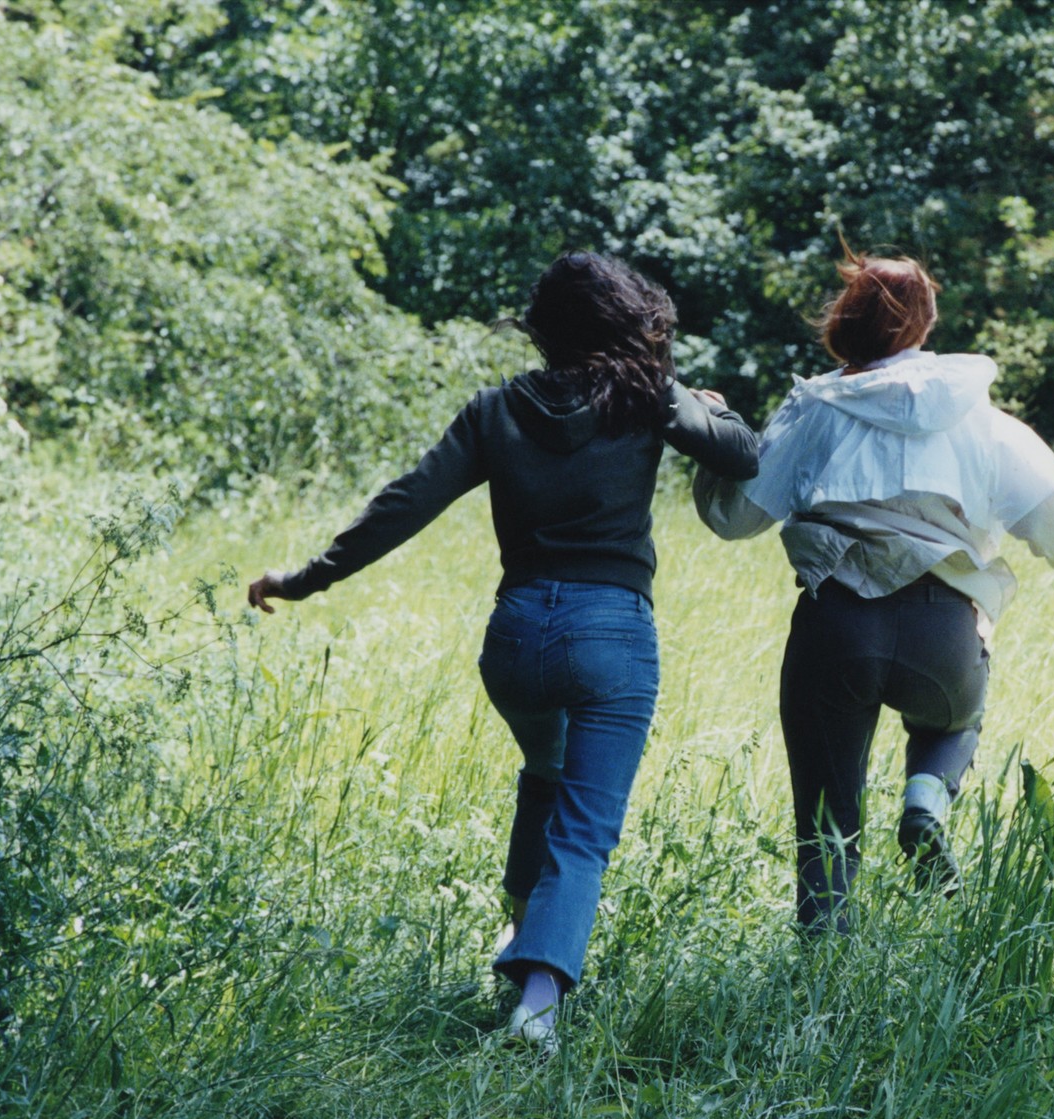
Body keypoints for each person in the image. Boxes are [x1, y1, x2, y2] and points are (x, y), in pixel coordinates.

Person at [248, 251, 759, 1044]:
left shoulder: (495, 410)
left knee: (545, 773)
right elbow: (743, 452)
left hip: (517, 637)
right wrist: (691, 400)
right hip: (611, 636)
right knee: (585, 826)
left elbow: (405, 505)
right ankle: (539, 1002)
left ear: (544, 329)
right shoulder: (646, 396)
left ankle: (521, 939)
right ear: (626, 321)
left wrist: (306, 579)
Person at [694, 243, 1054, 934]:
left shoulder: (814, 408)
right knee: (956, 722)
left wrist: (712, 439)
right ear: (925, 323)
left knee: (826, 818)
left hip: (835, 627)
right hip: (941, 633)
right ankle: (926, 797)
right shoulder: (980, 415)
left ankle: (825, 961)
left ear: (843, 322)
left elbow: (734, 518)